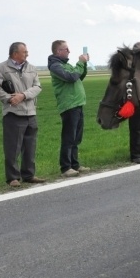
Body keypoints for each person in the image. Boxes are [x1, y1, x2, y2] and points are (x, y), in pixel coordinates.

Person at [0, 42, 45, 187]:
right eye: (24, 51)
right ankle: (13, 177)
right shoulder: (1, 68)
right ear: (15, 54)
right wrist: (9, 98)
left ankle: (29, 175)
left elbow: (38, 86)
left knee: (30, 146)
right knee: (13, 147)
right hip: (13, 112)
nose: (27, 54)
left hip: (30, 112)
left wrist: (23, 95)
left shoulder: (31, 68)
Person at [48, 40, 90, 177]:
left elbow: (79, 76)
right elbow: (71, 77)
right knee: (68, 137)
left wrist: (84, 64)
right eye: (66, 49)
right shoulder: (55, 66)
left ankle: (75, 164)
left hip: (77, 104)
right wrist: (79, 63)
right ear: (58, 51)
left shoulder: (66, 65)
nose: (69, 51)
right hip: (69, 105)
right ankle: (66, 167)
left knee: (76, 137)